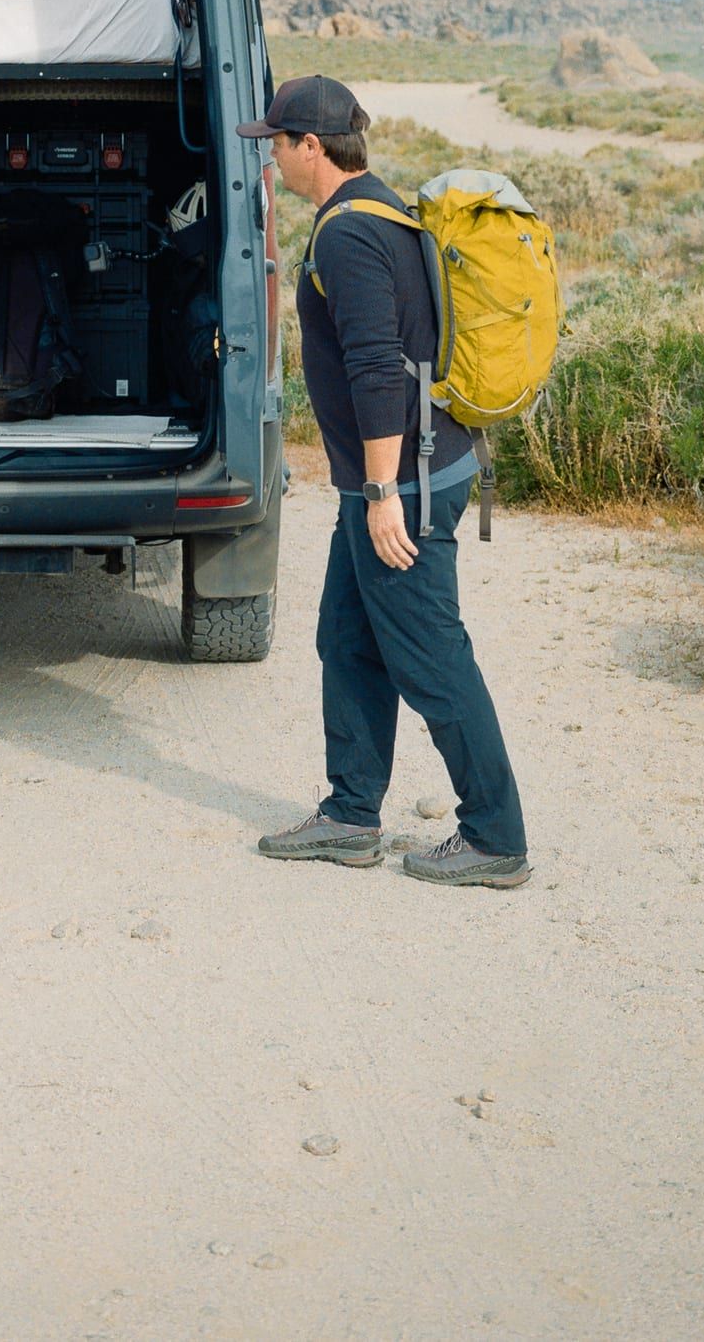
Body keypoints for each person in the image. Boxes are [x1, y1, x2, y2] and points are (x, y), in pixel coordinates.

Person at [238, 76, 529, 888]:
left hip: (403, 484)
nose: (269, 156)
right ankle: (350, 816)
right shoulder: (370, 210)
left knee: (432, 656)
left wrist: (378, 495)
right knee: (348, 638)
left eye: (276, 141)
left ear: (311, 147)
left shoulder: (349, 236)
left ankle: (496, 838)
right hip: (404, 474)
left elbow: (376, 372)